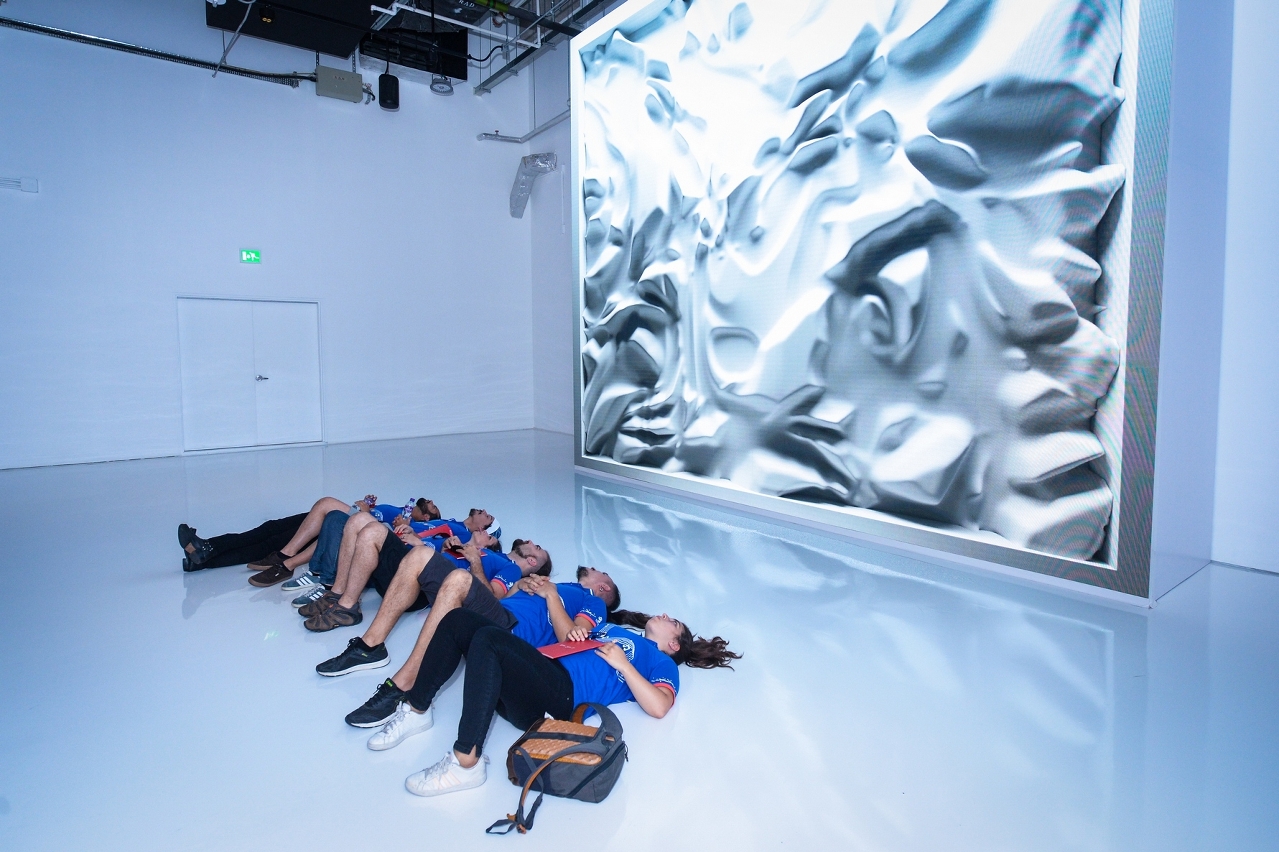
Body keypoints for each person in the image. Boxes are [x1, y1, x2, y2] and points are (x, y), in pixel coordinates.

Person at [373, 606, 739, 796]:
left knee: (487, 639)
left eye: (673, 621)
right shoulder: (615, 629)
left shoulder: (660, 661)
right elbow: (569, 638)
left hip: (559, 696)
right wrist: (577, 634)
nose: (664, 615)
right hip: (536, 672)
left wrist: (624, 664)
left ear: (674, 643)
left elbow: (659, 706)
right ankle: (416, 710)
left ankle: (466, 763)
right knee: (459, 620)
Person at [361, 571, 618, 751]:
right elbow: (505, 600)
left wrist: (551, 595)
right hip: (499, 612)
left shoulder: (593, 600)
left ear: (604, 587)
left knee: (459, 580)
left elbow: (571, 641)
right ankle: (417, 709)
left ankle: (463, 754)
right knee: (454, 615)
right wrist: (522, 585)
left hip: (511, 632)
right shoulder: (564, 585)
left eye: (602, 572)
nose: (592, 569)